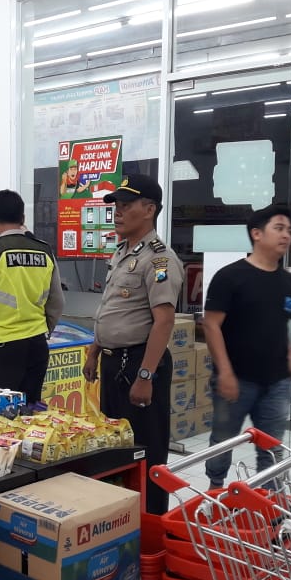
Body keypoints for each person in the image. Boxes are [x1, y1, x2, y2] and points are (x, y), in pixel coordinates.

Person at [203, 204, 291, 490]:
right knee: (223, 440)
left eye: (289, 231)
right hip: (236, 379)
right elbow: (211, 325)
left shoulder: (287, 282)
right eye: (279, 228)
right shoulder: (230, 276)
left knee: (272, 446)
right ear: (256, 234)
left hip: (276, 383)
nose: (286, 236)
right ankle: (215, 488)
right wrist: (225, 373)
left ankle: (269, 501)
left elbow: (282, 329)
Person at [83, 175, 184, 515]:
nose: (118, 212)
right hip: (115, 363)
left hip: (140, 363)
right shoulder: (122, 252)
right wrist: (95, 351)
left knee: (146, 451)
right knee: (115, 446)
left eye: (126, 206)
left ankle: (151, 520)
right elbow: (111, 309)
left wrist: (145, 375)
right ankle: (120, 519)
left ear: (150, 209)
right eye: (117, 206)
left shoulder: (159, 259)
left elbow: (164, 321)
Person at [0, 190, 64, 404]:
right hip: (37, 347)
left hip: (2, 349)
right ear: (23, 218)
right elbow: (57, 303)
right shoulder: (44, 251)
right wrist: (42, 332)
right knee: (29, 414)